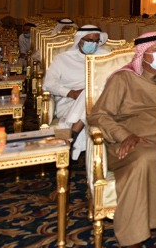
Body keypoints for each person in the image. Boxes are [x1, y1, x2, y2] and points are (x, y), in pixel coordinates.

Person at [87, 32, 156, 248]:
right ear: (143, 55)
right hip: (131, 142)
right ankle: (130, 243)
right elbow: (98, 115)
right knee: (145, 158)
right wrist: (124, 135)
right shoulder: (123, 79)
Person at [43, 25, 110, 160]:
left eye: (96, 41)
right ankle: (74, 131)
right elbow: (48, 83)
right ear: (79, 40)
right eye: (89, 40)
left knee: (91, 91)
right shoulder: (62, 59)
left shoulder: (106, 56)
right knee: (89, 93)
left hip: (101, 99)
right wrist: (70, 93)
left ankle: (72, 133)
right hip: (69, 102)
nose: (93, 44)